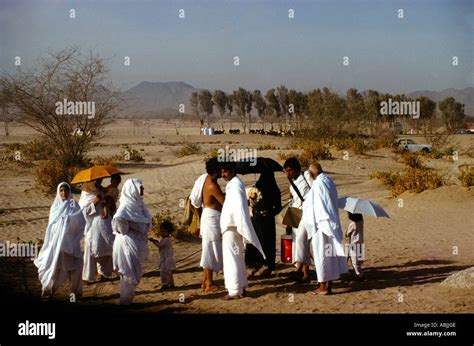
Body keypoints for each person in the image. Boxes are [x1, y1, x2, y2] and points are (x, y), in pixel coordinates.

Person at [220, 161, 265, 300]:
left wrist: (241, 226)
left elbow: (239, 208)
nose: (223, 174)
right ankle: (241, 287)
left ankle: (234, 291)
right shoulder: (235, 184)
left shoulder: (235, 185)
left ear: (233, 170)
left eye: (225, 171)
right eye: (221, 171)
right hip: (232, 227)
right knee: (237, 258)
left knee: (231, 260)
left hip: (232, 227)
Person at [301, 161, 348, 295]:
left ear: (311, 174)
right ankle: (329, 285)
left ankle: (323, 287)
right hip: (329, 224)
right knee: (330, 255)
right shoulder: (328, 180)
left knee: (321, 255)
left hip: (321, 225)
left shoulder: (318, 184)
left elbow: (319, 207)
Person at [34, 182, 85, 301]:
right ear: (58, 192)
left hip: (71, 244)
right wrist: (62, 223)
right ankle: (47, 291)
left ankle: (75, 293)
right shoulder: (55, 207)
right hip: (57, 245)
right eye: (61, 190)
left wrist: (69, 220)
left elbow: (81, 223)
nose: (64, 193)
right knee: (53, 268)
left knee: (75, 268)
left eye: (66, 190)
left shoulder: (74, 206)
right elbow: (51, 227)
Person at [112, 179, 151, 305]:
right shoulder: (125, 207)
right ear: (132, 190)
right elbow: (118, 224)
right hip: (127, 243)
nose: (142, 190)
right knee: (129, 271)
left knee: (134, 271)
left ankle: (127, 299)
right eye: (140, 188)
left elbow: (147, 222)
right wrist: (131, 226)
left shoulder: (139, 205)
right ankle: (125, 301)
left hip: (136, 242)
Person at [190, 158, 225, 292]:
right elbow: (224, 202)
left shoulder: (206, 180)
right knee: (210, 250)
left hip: (209, 217)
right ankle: (209, 283)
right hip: (212, 219)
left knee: (208, 249)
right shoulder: (212, 185)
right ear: (216, 170)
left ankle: (206, 281)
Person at [245, 172, 282, 277]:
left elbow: (278, 207)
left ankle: (266, 266)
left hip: (267, 221)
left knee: (267, 243)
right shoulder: (256, 187)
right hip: (256, 219)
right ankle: (253, 265)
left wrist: (270, 212)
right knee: (254, 242)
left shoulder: (275, 190)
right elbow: (251, 202)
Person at [79, 179, 115, 283]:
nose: (98, 183)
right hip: (92, 227)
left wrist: (107, 203)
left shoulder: (101, 192)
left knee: (106, 247)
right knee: (92, 250)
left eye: (99, 181)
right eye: (95, 182)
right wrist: (96, 201)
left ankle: (102, 272)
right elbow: (84, 212)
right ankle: (88, 275)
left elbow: (110, 207)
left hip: (105, 224)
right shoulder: (86, 195)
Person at [283, 157, 312, 283]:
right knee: (298, 243)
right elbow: (292, 201)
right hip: (295, 213)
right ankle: (305, 274)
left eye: (290, 171)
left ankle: (298, 271)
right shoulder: (291, 182)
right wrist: (289, 221)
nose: (288, 173)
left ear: (297, 169)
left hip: (307, 214)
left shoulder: (306, 178)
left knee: (301, 241)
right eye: (286, 171)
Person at [149, 220, 176, 289]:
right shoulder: (164, 239)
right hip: (165, 258)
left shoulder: (166, 239)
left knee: (164, 272)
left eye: (164, 232)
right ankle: (170, 284)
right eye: (161, 231)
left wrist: (154, 242)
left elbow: (160, 245)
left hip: (166, 259)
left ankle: (166, 284)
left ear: (168, 232)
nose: (162, 233)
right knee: (167, 272)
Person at [346, 212, 365, 281]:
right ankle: (359, 274)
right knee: (359, 261)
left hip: (354, 245)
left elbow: (347, 234)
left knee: (354, 261)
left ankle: (359, 275)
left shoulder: (352, 224)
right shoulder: (361, 222)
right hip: (360, 243)